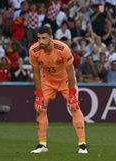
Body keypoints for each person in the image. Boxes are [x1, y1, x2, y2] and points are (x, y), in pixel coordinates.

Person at [29, 25, 88, 154]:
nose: (41, 41)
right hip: (47, 81)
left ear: (51, 38)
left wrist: (72, 93)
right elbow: (36, 73)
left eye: (44, 38)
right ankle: (42, 144)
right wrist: (38, 94)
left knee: (74, 107)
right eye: (39, 38)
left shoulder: (63, 49)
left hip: (65, 80)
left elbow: (71, 72)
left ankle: (82, 144)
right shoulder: (34, 50)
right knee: (40, 108)